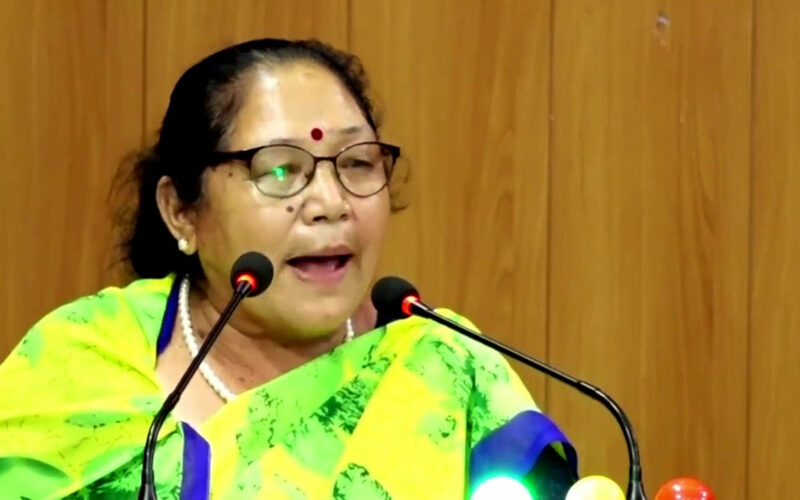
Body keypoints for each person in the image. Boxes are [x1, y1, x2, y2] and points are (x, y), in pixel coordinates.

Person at [0, 39, 577, 499]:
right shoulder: (78, 367)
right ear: (181, 210)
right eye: (279, 170)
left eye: (356, 163)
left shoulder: (446, 370)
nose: (331, 202)